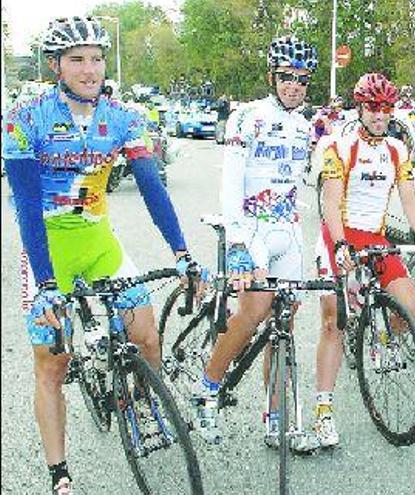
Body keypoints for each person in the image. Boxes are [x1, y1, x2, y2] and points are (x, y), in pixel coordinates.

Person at [2, 17, 202, 494]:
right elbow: (27, 206)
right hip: (48, 251)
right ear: (56, 66)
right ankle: (60, 472)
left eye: (96, 58)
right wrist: (48, 283)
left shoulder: (125, 117)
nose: (90, 69)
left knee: (146, 336)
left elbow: (152, 187)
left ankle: (142, 400)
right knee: (52, 363)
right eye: (77, 60)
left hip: (100, 246)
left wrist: (181, 251)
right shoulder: (24, 118)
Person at [189, 35, 321, 447]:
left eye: (301, 79)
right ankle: (207, 389)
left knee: (286, 320)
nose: (294, 86)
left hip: (287, 230)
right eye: (286, 77)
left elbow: (302, 183)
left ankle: (276, 417)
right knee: (253, 312)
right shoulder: (247, 117)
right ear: (272, 76)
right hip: (251, 229)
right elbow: (231, 185)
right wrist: (240, 242)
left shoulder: (306, 127)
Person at [313, 72, 415, 447]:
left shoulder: (397, 150)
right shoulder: (340, 145)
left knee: (412, 308)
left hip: (376, 238)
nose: (380, 115)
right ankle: (323, 410)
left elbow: (410, 198)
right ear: (360, 107)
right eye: (373, 107)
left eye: (386, 108)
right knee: (333, 321)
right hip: (340, 235)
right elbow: (330, 201)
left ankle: (376, 331)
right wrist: (339, 245)